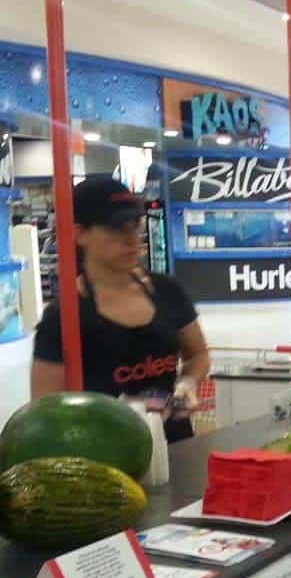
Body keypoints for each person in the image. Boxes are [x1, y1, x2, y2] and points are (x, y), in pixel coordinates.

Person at [31, 175, 209, 443]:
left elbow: (197, 355)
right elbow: (44, 410)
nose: (131, 238)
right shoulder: (64, 315)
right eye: (116, 229)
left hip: (175, 446)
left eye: (135, 225)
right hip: (106, 458)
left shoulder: (166, 291)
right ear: (80, 233)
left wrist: (187, 383)